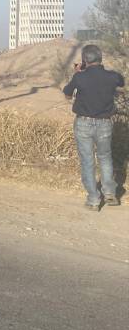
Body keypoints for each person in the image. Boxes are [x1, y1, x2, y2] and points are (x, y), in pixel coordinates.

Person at [62, 44, 125, 210]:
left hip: (83, 122)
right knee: (105, 157)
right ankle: (110, 192)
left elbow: (67, 94)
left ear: (84, 60)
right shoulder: (112, 76)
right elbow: (121, 81)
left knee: (87, 161)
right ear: (100, 58)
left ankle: (94, 200)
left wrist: (78, 73)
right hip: (105, 123)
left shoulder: (79, 77)